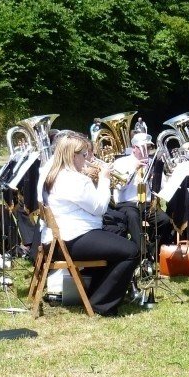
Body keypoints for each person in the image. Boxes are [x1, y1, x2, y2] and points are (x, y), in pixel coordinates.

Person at [42, 132, 139, 316]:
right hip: (72, 239)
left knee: (117, 237)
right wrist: (104, 178)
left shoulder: (57, 174)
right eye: (84, 155)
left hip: (61, 239)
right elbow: (100, 207)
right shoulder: (74, 179)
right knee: (131, 252)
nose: (87, 159)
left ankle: (95, 294)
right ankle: (101, 303)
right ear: (73, 156)